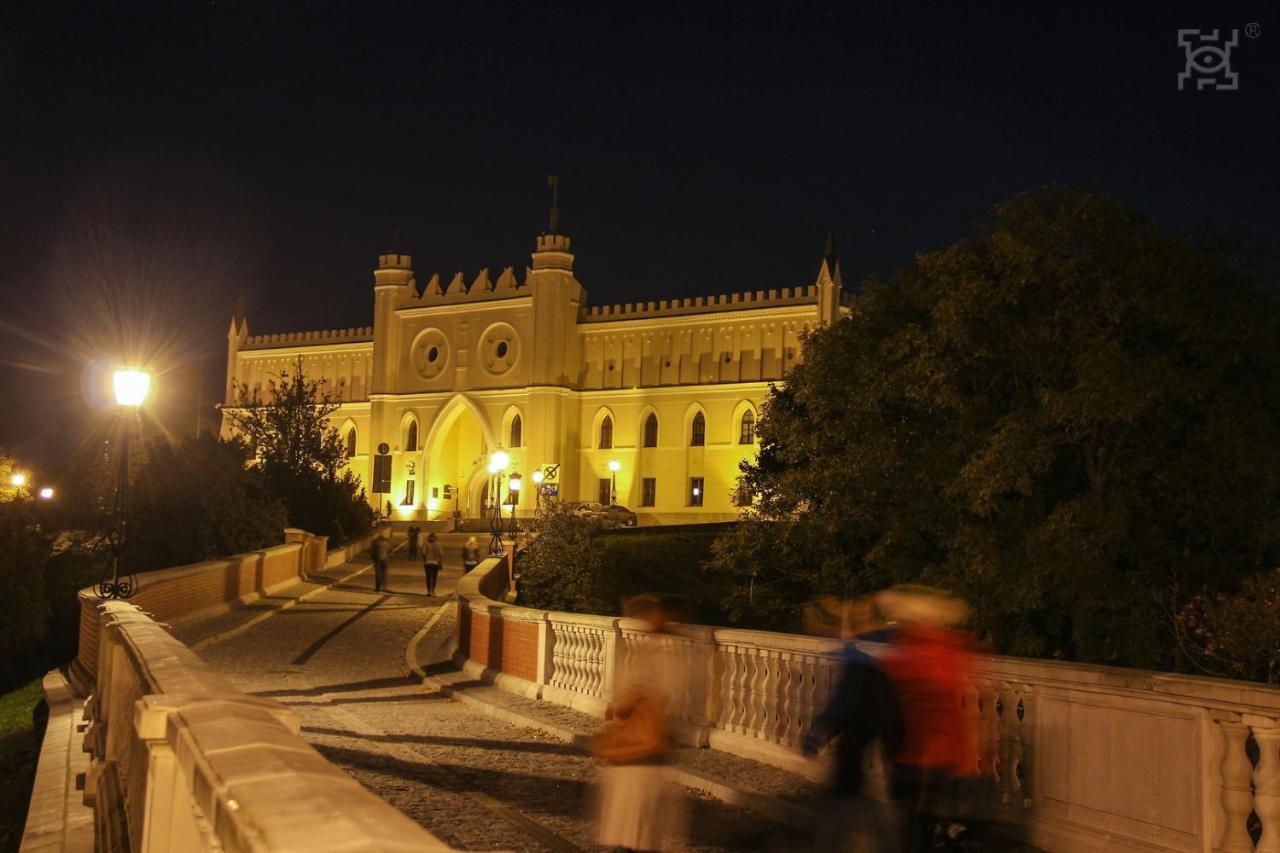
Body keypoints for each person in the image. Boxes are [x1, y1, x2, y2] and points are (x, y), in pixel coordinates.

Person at [876, 586, 977, 853]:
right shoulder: (953, 649)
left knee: (911, 826)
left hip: (911, 754)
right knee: (938, 825)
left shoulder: (902, 653)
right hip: (947, 754)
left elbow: (891, 706)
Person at [801, 597, 903, 851]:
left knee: (847, 787)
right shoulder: (896, 644)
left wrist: (816, 735)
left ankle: (841, 842)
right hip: (897, 733)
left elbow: (844, 699)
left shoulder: (860, 653)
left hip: (860, 731)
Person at [592, 595, 687, 851]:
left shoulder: (665, 654)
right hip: (640, 759)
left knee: (636, 835)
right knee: (638, 836)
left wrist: (627, 703)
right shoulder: (654, 649)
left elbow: (634, 705)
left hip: (640, 761)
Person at [422, 531, 445, 597]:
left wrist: (425, 559)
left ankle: (429, 591)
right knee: (434, 577)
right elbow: (441, 553)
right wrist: (440, 561)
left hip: (427, 563)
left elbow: (423, 552)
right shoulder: (438, 544)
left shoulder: (426, 543)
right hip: (435, 563)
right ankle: (433, 590)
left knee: (428, 577)